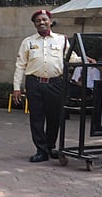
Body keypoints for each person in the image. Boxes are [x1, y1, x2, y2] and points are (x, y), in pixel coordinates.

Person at [12, 9, 78, 162]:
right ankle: (41, 151)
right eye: (38, 21)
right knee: (37, 118)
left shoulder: (62, 40)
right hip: (34, 83)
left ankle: (50, 147)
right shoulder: (28, 42)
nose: (41, 22)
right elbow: (20, 65)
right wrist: (17, 87)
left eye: (44, 20)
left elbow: (71, 58)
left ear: (50, 21)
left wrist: (85, 59)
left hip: (56, 83)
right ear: (34, 24)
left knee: (55, 117)